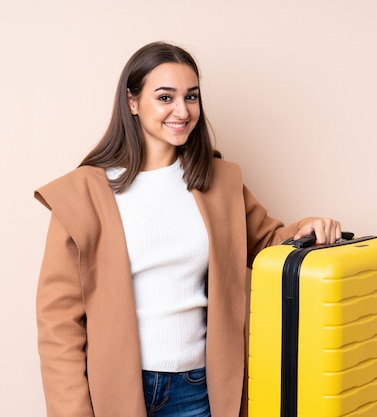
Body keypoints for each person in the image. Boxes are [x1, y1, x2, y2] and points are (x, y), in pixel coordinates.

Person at [34, 41, 342, 417]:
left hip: (198, 388)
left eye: (191, 97)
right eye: (165, 97)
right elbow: (58, 323)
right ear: (132, 102)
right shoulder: (83, 193)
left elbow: (268, 243)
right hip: (116, 389)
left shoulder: (219, 181)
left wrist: (308, 228)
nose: (182, 111)